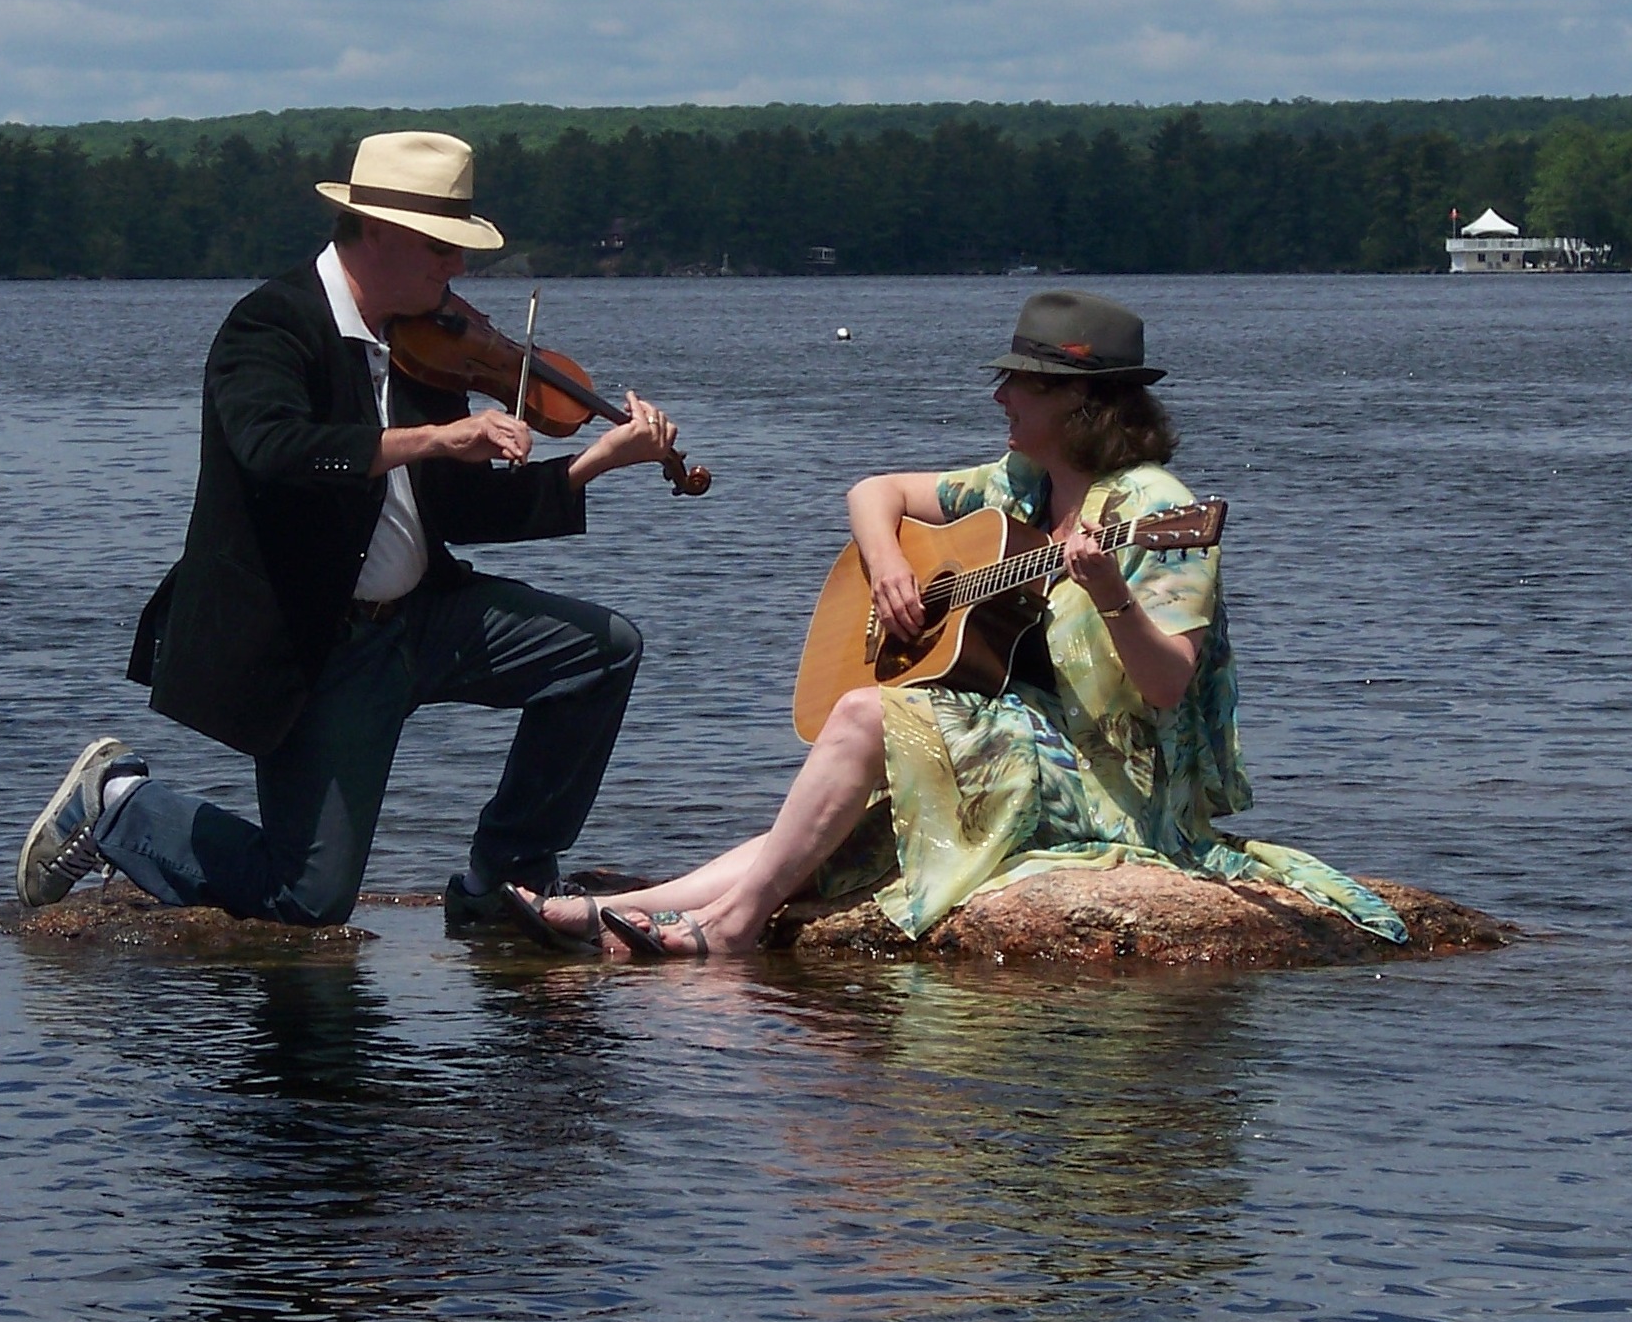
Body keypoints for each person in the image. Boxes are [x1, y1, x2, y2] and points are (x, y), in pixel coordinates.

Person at [512, 290, 1408, 957]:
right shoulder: (1015, 486)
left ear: (1081, 402)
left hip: (1121, 785)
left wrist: (1108, 592)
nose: (1000, 399)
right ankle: (627, 910)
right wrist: (895, 565)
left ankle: (733, 924)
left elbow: (1169, 683)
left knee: (868, 716)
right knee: (848, 808)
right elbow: (871, 491)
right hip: (1030, 739)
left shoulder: (1155, 509)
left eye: (1021, 383)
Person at [13, 130, 680, 927]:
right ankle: (119, 804)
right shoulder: (269, 325)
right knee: (308, 900)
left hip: (425, 620)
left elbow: (462, 511)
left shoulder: (424, 341)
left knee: (600, 650)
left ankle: (505, 880)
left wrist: (598, 460)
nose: (456, 269)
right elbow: (277, 452)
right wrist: (435, 438)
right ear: (378, 232)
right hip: (316, 642)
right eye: (441, 247)